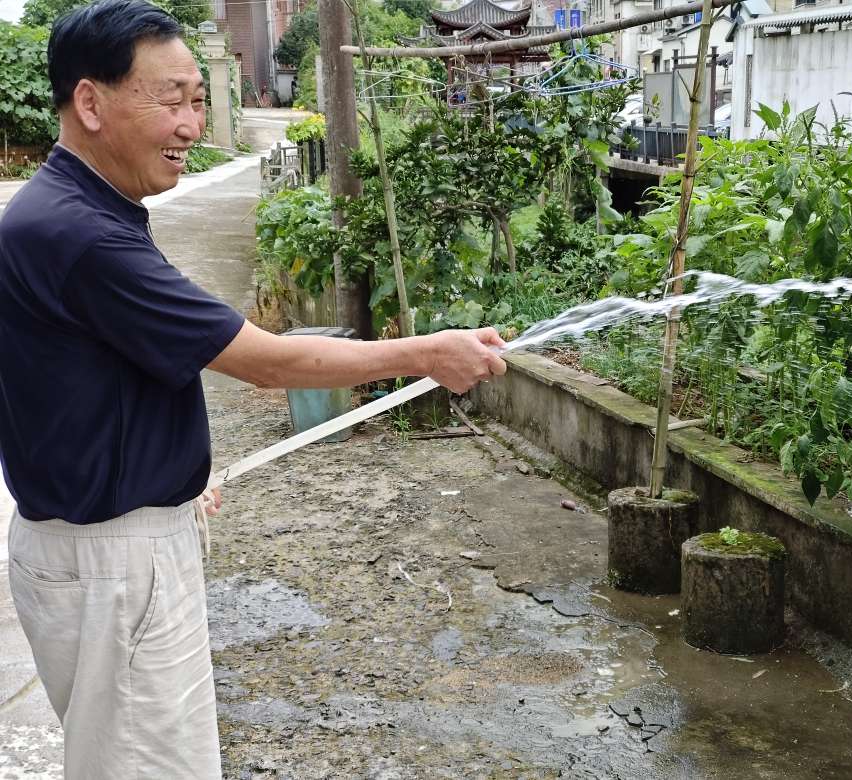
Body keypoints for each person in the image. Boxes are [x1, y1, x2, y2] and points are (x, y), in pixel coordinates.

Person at [0, 2, 506, 778]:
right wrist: (430, 353)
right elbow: (270, 364)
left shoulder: (67, 211)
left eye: (198, 99)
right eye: (168, 99)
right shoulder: (82, 234)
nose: (191, 124)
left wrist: (156, 479)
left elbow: (65, 383)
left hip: (96, 543)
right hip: (113, 564)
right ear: (90, 101)